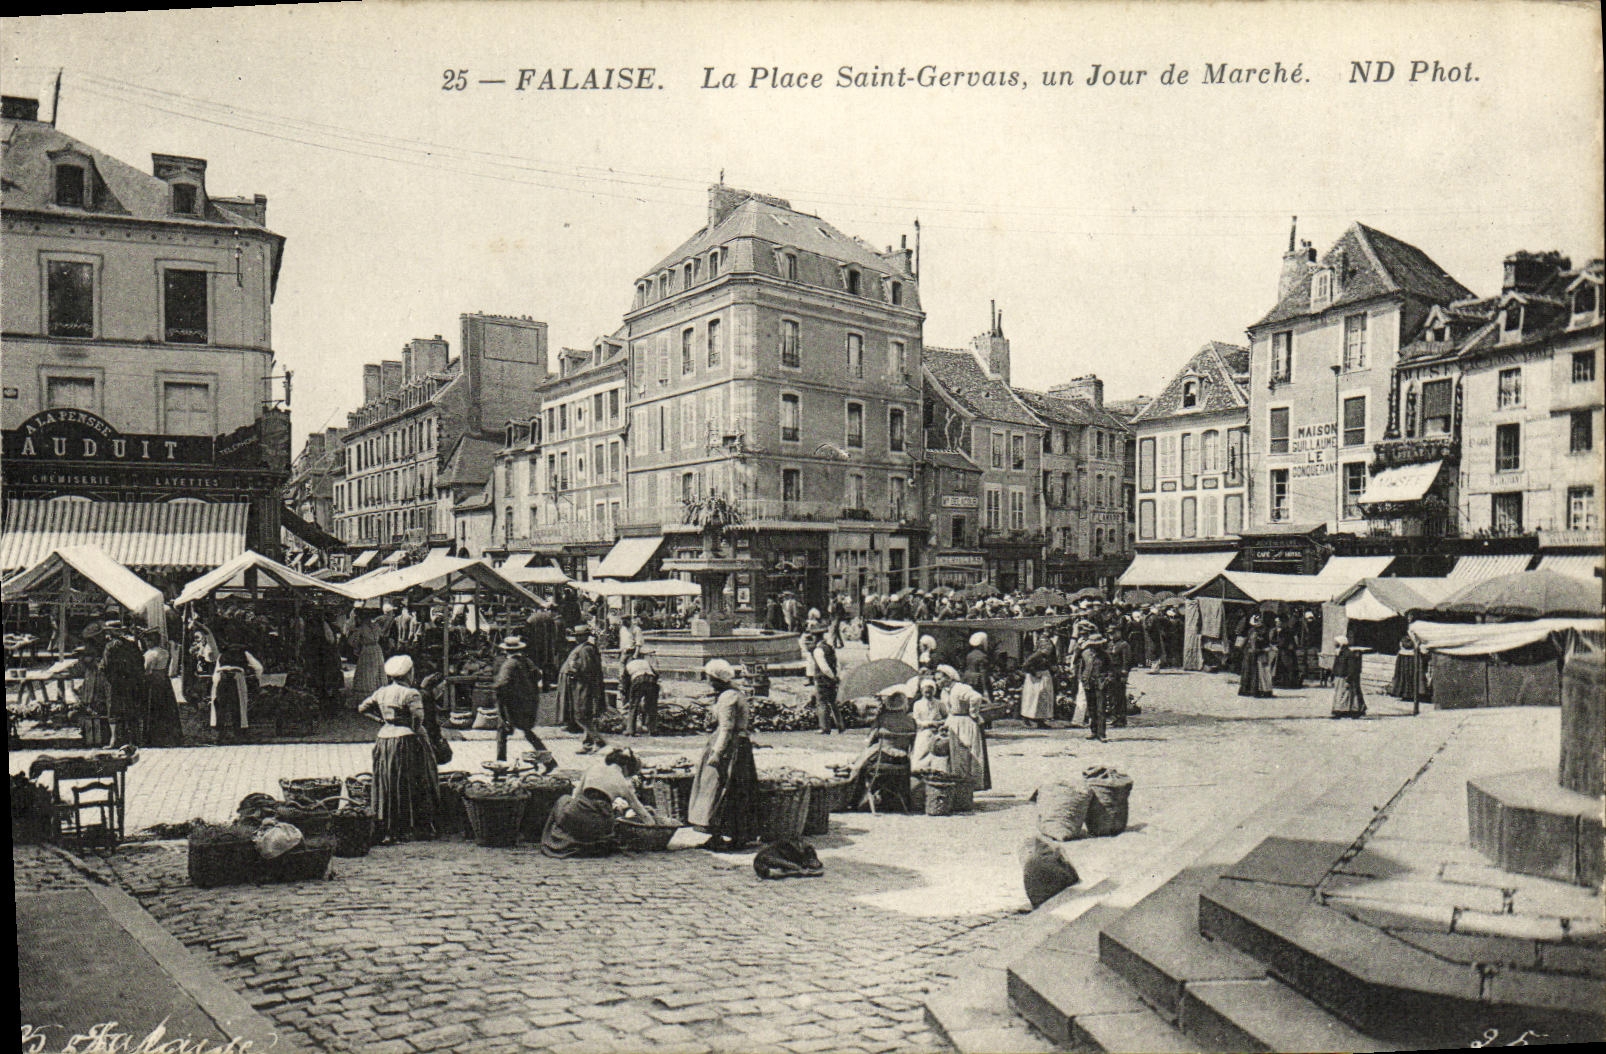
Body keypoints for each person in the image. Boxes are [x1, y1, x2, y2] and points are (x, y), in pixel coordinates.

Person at [357, 655, 441, 842]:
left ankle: (388, 823)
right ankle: (410, 824)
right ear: (409, 673)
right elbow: (418, 718)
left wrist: (381, 720)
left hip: (384, 739)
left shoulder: (382, 692)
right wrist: (413, 728)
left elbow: (362, 708)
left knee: (387, 779)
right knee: (410, 779)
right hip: (405, 741)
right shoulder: (411, 694)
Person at [687, 659, 760, 851]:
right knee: (727, 789)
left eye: (710, 678)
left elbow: (727, 729)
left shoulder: (728, 698)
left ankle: (730, 835)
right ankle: (723, 834)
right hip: (736, 745)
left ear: (716, 679)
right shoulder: (734, 694)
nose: (708, 682)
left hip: (730, 747)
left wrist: (717, 753)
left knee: (721, 788)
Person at [844, 688, 919, 811]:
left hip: (882, 760)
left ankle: (854, 800)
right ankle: (897, 799)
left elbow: (869, 740)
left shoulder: (882, 719)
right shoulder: (911, 721)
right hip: (902, 761)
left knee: (861, 767)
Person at [492, 636, 556, 769]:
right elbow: (537, 675)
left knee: (502, 731)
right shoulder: (526, 661)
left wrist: (499, 695)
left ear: (505, 650)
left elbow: (502, 684)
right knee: (527, 732)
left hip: (512, 704)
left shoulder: (509, 664)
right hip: (528, 703)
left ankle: (501, 763)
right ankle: (549, 761)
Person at [934, 666, 991, 790]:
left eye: (939, 679)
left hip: (966, 722)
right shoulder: (945, 692)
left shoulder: (960, 688)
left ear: (948, 678)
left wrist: (973, 713)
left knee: (969, 751)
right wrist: (946, 724)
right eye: (936, 679)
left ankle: (973, 783)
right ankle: (960, 781)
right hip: (955, 721)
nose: (937, 682)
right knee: (957, 753)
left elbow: (976, 697)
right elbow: (951, 712)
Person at [557, 624, 607, 754]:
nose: (577, 638)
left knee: (581, 715)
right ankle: (588, 744)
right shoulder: (582, 648)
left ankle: (598, 741)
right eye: (576, 636)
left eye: (579, 636)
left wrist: (574, 673)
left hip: (583, 686)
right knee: (584, 715)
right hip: (579, 685)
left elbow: (587, 669)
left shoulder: (586, 649)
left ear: (585, 636)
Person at [141, 631, 184, 747]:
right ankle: (170, 738)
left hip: (154, 683)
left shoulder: (150, 654)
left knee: (154, 709)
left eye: (147, 640)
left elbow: (147, 670)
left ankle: (154, 738)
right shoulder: (165, 652)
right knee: (168, 709)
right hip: (164, 682)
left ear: (150, 641)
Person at [909, 678, 950, 773]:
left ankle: (937, 772)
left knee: (937, 756)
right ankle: (919, 773)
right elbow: (916, 720)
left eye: (931, 691)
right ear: (922, 691)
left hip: (937, 733)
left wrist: (940, 723)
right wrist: (928, 723)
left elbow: (947, 717)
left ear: (934, 691)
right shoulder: (917, 704)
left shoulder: (939, 703)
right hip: (923, 733)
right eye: (926, 691)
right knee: (921, 754)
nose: (928, 693)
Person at [1019, 630, 1058, 729]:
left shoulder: (1046, 656)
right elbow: (1025, 666)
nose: (1049, 649)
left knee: (1043, 699)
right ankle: (1030, 718)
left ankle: (1041, 720)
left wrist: (1052, 668)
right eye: (1047, 647)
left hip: (1043, 677)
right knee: (1035, 698)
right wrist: (1035, 672)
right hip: (1036, 679)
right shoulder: (1036, 655)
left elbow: (1047, 664)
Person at [810, 627, 845, 735]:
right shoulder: (830, 648)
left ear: (815, 637)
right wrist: (836, 676)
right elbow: (837, 663)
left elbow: (823, 667)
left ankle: (824, 727)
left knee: (822, 703)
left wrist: (830, 676)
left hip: (822, 679)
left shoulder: (818, 650)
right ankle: (840, 725)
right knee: (833, 702)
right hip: (832, 679)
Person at [349, 610, 387, 706]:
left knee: (367, 671)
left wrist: (358, 645)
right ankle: (379, 693)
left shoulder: (361, 628)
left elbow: (352, 642)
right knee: (377, 670)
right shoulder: (376, 626)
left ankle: (367, 696)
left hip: (367, 650)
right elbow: (382, 635)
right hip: (377, 649)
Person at [1078, 632, 1111, 742]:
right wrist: (1082, 680)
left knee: (1101, 709)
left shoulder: (1105, 655)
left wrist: (1106, 679)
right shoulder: (1085, 654)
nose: (1096, 646)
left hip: (1100, 683)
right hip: (1088, 683)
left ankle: (1101, 733)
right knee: (1091, 708)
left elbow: (1110, 670)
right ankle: (1093, 731)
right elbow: (1081, 668)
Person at [624, 652, 659, 736]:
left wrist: (627, 696)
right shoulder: (645, 662)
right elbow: (656, 674)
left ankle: (630, 730)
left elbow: (625, 683)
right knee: (652, 706)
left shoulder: (628, 666)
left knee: (634, 706)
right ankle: (652, 730)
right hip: (651, 680)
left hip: (638, 680)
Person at [1331, 637, 1367, 718]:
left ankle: (1341, 711)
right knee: (1340, 694)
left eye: (1336, 642)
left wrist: (1349, 676)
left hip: (1344, 677)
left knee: (1344, 694)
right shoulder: (1339, 652)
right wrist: (1333, 675)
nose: (1335, 644)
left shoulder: (1348, 653)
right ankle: (1340, 710)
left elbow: (1351, 667)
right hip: (1339, 677)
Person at [1238, 615, 1273, 698]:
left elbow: (1244, 644)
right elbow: (1254, 646)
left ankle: (1246, 690)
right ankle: (1252, 690)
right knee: (1253, 672)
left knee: (1248, 671)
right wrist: (1263, 649)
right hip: (1253, 654)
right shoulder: (1256, 632)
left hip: (1249, 653)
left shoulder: (1252, 631)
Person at [963, 632, 992, 703]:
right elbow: (983, 673)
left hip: (968, 679)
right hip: (978, 681)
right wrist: (985, 690)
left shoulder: (969, 655)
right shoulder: (982, 656)